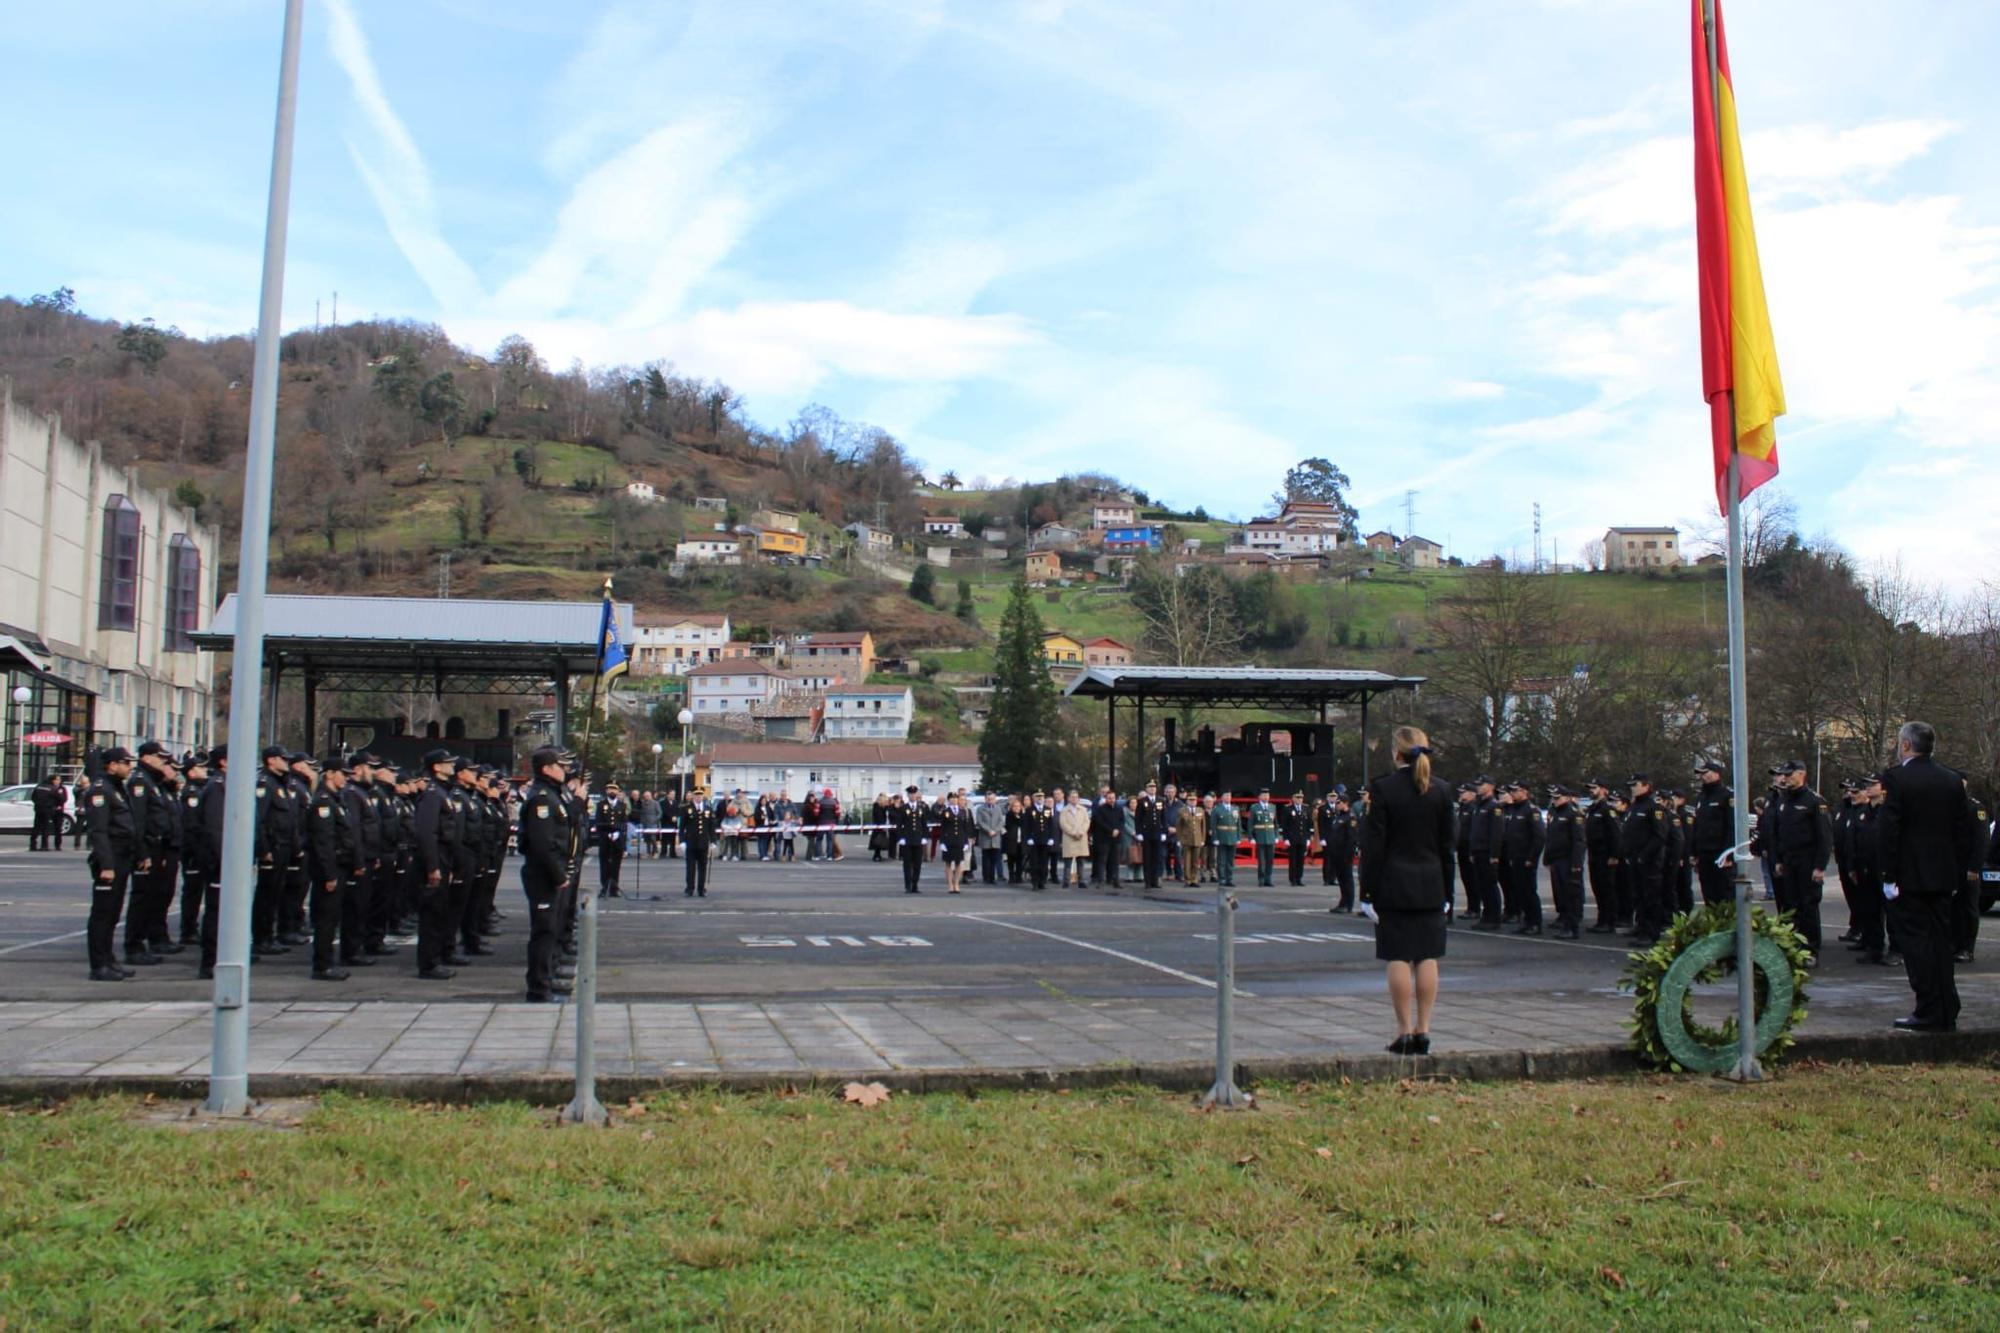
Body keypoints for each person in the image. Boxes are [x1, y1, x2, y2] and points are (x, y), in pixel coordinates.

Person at [1360, 726, 1454, 1056]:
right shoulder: (1441, 790)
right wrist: (1449, 891)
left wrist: (1366, 890)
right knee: (1427, 956)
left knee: (1398, 956)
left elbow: (1374, 846)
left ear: (1395, 753)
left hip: (1394, 882)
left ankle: (1403, 1031)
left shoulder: (1383, 789)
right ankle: (1423, 1029)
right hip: (1431, 882)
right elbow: (1447, 846)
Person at [1879, 721, 1976, 1032]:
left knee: (1917, 945)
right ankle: (1947, 1006)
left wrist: (1888, 874)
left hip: (1910, 876)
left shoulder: (1897, 779)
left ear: (1906, 745)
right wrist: (1957, 871)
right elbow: (1963, 831)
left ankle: (1928, 1009)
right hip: (1943, 876)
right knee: (1940, 943)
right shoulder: (1950, 780)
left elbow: (1890, 830)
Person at [1758, 759, 1832, 960]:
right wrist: (1779, 860)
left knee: (1808, 906)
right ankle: (1792, 946)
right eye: (1782, 775)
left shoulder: (1814, 801)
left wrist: (1820, 866)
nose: (1784, 778)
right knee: (1791, 905)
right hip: (1789, 860)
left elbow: (1823, 836)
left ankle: (1810, 950)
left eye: (1788, 775)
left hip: (1808, 860)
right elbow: (1780, 833)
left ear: (1801, 774)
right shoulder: (1783, 800)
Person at [519, 748, 573, 1003]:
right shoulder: (542, 799)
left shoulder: (553, 794)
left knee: (550, 930)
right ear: (547, 768)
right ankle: (538, 989)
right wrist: (558, 874)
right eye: (560, 766)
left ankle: (547, 979)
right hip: (543, 876)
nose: (564, 770)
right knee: (543, 932)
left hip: (550, 874)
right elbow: (542, 843)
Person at [83, 747, 140, 981]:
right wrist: (106, 865)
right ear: (112, 765)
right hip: (110, 858)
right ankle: (99, 965)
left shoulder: (116, 788)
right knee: (103, 914)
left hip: (122, 856)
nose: (129, 767)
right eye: (125, 763)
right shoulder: (100, 790)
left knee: (114, 913)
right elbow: (99, 831)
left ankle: (108, 959)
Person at [1620, 773, 1672, 945]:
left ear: (1646, 786)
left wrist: (1644, 856)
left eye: (1636, 785)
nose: (1632, 788)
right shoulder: (1634, 807)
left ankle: (1651, 933)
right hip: (1634, 860)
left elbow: (1660, 836)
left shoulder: (1653, 808)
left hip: (1648, 862)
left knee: (1650, 897)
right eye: (1631, 785)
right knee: (1638, 896)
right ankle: (1641, 928)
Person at [1544, 785, 1587, 939]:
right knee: (1561, 894)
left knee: (1571, 895)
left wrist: (1576, 863)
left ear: (1567, 798)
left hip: (1568, 860)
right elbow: (1550, 838)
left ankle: (1572, 927)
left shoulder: (1573, 814)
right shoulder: (1554, 813)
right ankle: (1565, 923)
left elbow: (1579, 841)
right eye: (1553, 798)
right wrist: (1547, 858)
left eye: (1558, 797)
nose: (1554, 800)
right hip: (1556, 859)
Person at [682, 788, 717, 897]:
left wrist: (713, 841)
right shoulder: (687, 809)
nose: (698, 797)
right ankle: (689, 888)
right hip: (691, 842)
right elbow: (681, 826)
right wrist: (682, 841)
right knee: (690, 868)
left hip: (703, 842)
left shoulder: (708, 809)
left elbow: (711, 826)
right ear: (693, 796)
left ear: (703, 796)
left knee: (703, 867)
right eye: (696, 795)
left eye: (700, 795)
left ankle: (701, 889)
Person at [596, 782, 629, 895]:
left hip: (617, 839)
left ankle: (614, 887)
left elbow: (624, 824)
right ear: (606, 791)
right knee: (604, 863)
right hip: (605, 839)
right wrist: (607, 833)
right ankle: (605, 887)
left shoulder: (622, 805)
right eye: (610, 789)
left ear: (618, 791)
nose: (612, 792)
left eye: (614, 790)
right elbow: (598, 823)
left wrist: (618, 833)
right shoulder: (601, 805)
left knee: (616, 864)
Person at [939, 790, 975, 894]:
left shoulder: (962, 811)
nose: (954, 800)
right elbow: (943, 828)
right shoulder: (945, 812)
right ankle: (950, 884)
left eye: (955, 798)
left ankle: (956, 884)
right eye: (952, 798)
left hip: (959, 840)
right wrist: (942, 842)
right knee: (948, 863)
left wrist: (965, 842)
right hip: (948, 840)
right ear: (949, 800)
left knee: (959, 863)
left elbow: (964, 828)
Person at [891, 786, 926, 893]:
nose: (913, 796)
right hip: (907, 840)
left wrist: (925, 837)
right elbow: (899, 824)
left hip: (918, 839)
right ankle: (908, 884)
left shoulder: (921, 808)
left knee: (917, 863)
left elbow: (924, 824)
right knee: (907, 863)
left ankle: (915, 884)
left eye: (914, 794)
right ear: (908, 795)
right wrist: (901, 837)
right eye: (911, 794)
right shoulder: (903, 808)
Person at [1021, 790, 1057, 890]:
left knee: (1044, 862)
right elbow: (1026, 826)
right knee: (1034, 862)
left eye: (1041, 797)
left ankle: (1042, 881)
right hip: (1034, 840)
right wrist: (1028, 838)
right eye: (1038, 797)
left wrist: (1051, 837)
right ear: (1034, 798)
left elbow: (1051, 825)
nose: (1040, 798)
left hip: (1045, 840)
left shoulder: (1048, 809)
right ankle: (1035, 882)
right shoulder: (1029, 810)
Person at [1089, 785, 1122, 886]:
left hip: (1115, 838)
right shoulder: (1100, 809)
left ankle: (1114, 880)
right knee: (1102, 860)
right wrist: (1111, 830)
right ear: (1106, 799)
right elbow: (1100, 822)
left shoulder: (1118, 808)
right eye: (1109, 798)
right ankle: (1100, 880)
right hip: (1103, 839)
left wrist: (1118, 830)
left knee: (1115, 861)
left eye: (1113, 798)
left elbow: (1121, 821)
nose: (1111, 800)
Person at [1135, 782, 1165, 888]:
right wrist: (1138, 833)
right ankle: (1147, 881)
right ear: (1146, 789)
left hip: (1157, 832)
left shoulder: (1161, 800)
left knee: (1156, 858)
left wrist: (1164, 832)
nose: (1152, 789)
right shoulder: (1142, 801)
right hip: (1146, 833)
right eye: (1150, 787)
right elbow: (1138, 819)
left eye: (1154, 787)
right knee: (1147, 858)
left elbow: (1163, 818)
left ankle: (1155, 881)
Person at [1247, 788, 1279, 887]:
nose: (1266, 797)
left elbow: (1275, 823)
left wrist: (1276, 835)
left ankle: (1268, 879)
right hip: (1260, 836)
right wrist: (1251, 837)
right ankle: (1261, 879)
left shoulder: (1272, 807)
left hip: (1270, 836)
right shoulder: (1254, 808)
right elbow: (1251, 823)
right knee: (1261, 860)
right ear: (1259, 797)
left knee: (1270, 860)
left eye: (1267, 795)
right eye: (1264, 795)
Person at [1175, 793, 1208, 888]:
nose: (1192, 802)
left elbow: (1203, 826)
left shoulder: (1200, 810)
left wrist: (1202, 839)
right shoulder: (1182, 811)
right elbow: (1179, 826)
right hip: (1186, 838)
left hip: (1197, 838)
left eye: (1194, 800)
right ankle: (1187, 879)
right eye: (1190, 800)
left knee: (1195, 860)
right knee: (1186, 860)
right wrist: (1179, 838)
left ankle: (1194, 879)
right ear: (1187, 801)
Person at [1060, 792, 1092, 887]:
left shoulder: (1083, 810)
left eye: (1076, 797)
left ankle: (1081, 880)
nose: (1074, 799)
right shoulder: (1064, 810)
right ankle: (1066, 881)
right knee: (1068, 862)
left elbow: (1087, 822)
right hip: (1069, 838)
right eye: (1072, 797)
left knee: (1081, 861)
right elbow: (1063, 824)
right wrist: (1073, 833)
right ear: (1068, 798)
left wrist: (1082, 831)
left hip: (1081, 838)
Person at [1208, 794, 1239, 888]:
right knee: (1221, 859)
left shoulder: (1235, 809)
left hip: (1232, 836)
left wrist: (1238, 837)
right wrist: (1215, 838)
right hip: (1222, 836)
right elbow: (1213, 825)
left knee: (1230, 860)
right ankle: (1222, 878)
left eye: (1229, 796)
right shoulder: (1217, 809)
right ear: (1222, 798)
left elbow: (1238, 824)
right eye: (1226, 796)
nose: (1228, 798)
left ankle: (1229, 878)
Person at [975, 791, 1005, 884]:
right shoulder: (980, 809)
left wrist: (995, 830)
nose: (990, 801)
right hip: (985, 836)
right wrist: (989, 830)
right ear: (985, 799)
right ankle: (986, 877)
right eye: (988, 799)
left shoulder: (998, 808)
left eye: (992, 799)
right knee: (986, 858)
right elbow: (980, 822)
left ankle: (992, 877)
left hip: (995, 837)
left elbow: (1001, 821)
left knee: (994, 859)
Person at [30, 774, 66, 851]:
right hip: (48, 809)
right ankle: (44, 846)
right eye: (57, 780)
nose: (58, 781)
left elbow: (33, 797)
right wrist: (55, 804)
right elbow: (61, 800)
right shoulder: (53, 788)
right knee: (45, 828)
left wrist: (38, 803)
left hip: (38, 808)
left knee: (36, 827)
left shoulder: (39, 786)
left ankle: (32, 845)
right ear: (53, 780)